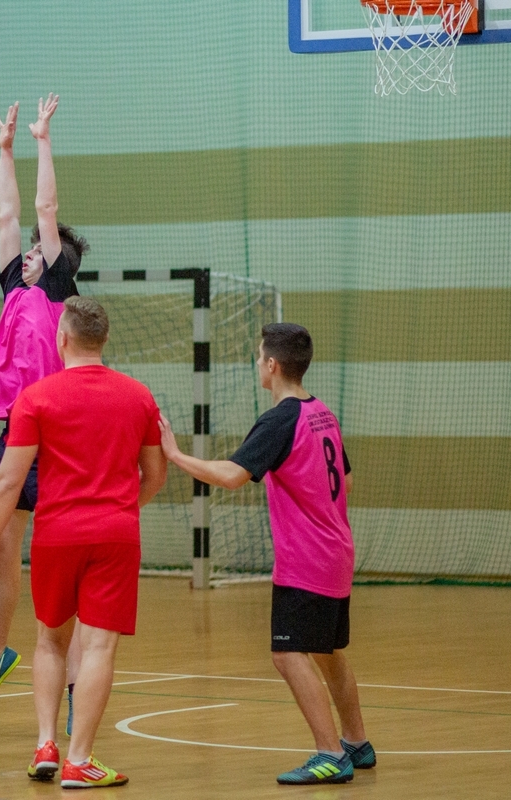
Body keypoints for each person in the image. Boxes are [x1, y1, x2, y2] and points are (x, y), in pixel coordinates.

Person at [158, 322, 374, 786]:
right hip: (337, 551)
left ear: (272, 365)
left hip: (307, 559)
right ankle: (357, 742)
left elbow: (232, 475)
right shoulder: (322, 412)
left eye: (259, 356)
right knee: (328, 651)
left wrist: (175, 456)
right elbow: (347, 481)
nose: (257, 363)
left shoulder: (280, 419)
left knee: (288, 653)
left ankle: (330, 753)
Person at [0, 296, 168, 788]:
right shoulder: (139, 396)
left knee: (49, 641)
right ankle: (80, 759)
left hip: (55, 534)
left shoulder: (35, 398)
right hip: (115, 535)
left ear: (61, 339)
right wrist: (122, 509)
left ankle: (45, 744)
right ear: (104, 339)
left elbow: (8, 482)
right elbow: (155, 474)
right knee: (98, 647)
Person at [0, 93, 91, 715]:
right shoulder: (13, 288)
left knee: (60, 559)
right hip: (17, 430)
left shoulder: (56, 288)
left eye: (39, 249)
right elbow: (8, 214)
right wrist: (5, 150)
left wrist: (42, 141)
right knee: (1, 550)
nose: (27, 251)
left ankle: (72, 685)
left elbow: (44, 209)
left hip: (59, 435)